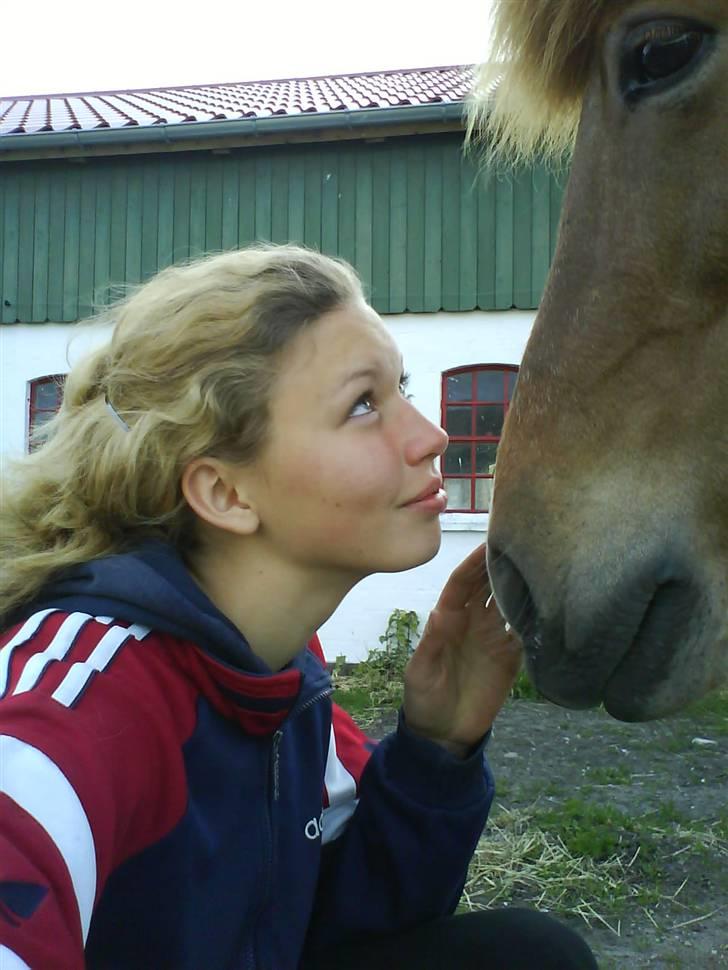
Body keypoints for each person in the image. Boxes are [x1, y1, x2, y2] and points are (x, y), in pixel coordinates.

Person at [0, 245, 597, 970]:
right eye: (363, 406)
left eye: (400, 388)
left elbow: (356, 925)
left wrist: (436, 748)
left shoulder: (280, 667)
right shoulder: (68, 708)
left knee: (529, 957)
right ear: (226, 493)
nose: (431, 437)